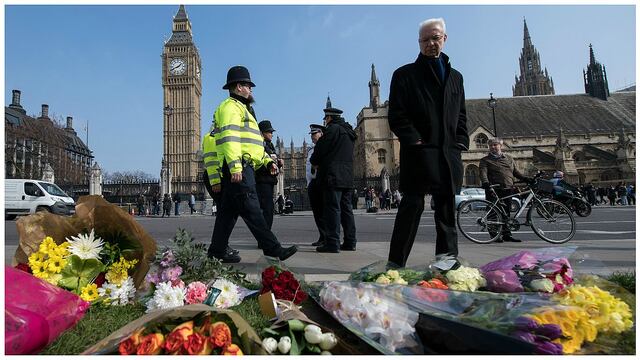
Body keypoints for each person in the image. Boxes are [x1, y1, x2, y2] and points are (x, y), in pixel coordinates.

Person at [387, 18, 469, 269]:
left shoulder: (456, 77)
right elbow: (397, 115)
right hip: (419, 152)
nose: (431, 43)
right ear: (419, 43)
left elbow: (462, 114)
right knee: (411, 206)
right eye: (425, 40)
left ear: (444, 38)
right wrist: (415, 140)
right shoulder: (404, 74)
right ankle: (396, 263)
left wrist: (461, 141)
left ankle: (447, 262)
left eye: (435, 38)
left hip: (447, 152)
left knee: (446, 210)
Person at [204, 65, 297, 263]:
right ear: (239, 87)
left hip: (245, 165)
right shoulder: (230, 107)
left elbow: (252, 143)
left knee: (227, 213)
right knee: (253, 210)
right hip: (239, 168)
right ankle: (273, 248)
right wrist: (236, 166)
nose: (251, 90)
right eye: (248, 86)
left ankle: (217, 250)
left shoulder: (244, 109)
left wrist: (266, 161)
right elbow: (230, 137)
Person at [310, 106, 358, 253]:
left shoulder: (332, 130)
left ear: (329, 118)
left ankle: (332, 243)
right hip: (347, 175)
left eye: (326, 119)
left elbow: (319, 150)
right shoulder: (350, 132)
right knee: (346, 210)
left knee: (332, 209)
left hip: (333, 176)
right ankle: (350, 241)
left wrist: (314, 160)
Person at [479, 138, 530, 243]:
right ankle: (495, 236)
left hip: (507, 189)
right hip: (493, 189)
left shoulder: (509, 158)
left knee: (506, 213)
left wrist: (525, 178)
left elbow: (516, 172)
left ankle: (507, 235)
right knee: (493, 213)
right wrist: (485, 182)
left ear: (500, 146)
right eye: (491, 145)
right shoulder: (485, 160)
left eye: (495, 145)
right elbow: (483, 173)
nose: (493, 147)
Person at [255, 120, 282, 229]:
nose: (271, 134)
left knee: (268, 209)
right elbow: (259, 161)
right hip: (261, 180)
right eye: (269, 132)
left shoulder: (270, 145)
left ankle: (266, 236)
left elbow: (272, 162)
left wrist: (278, 163)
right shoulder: (259, 145)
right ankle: (264, 237)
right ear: (262, 133)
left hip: (269, 180)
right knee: (266, 209)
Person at [306, 124, 327, 247]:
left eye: (314, 134)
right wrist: (309, 183)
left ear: (321, 133)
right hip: (312, 183)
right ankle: (322, 236)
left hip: (321, 182)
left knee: (323, 211)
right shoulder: (311, 150)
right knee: (317, 212)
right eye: (311, 135)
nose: (312, 137)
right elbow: (308, 168)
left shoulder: (324, 147)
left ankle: (327, 237)